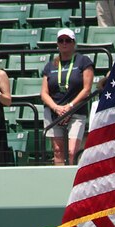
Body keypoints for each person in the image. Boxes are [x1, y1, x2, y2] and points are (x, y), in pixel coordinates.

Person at [41, 28, 94, 166]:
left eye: (68, 40)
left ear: (74, 43)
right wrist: (56, 108)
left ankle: (72, 182)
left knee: (72, 152)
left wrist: (69, 107)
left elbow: (87, 89)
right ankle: (59, 182)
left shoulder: (83, 61)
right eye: (61, 40)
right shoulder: (51, 64)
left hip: (75, 111)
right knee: (58, 151)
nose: (64, 43)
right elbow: (44, 93)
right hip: (54, 112)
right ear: (57, 44)